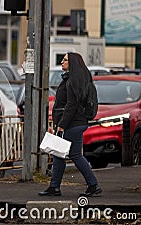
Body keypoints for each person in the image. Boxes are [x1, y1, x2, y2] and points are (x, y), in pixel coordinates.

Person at [38, 52, 102, 197]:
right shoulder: (77, 79)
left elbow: (71, 105)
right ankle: (54, 187)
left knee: (75, 155)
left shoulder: (72, 81)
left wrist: (62, 125)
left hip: (71, 124)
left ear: (72, 63)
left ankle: (93, 185)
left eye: (65, 60)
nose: (62, 62)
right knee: (58, 154)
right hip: (75, 123)